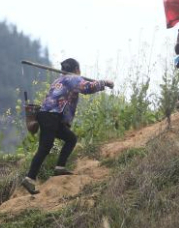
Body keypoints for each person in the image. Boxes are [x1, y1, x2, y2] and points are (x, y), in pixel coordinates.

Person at [21, 59, 113, 195]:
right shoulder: (73, 78)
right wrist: (104, 83)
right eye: (79, 70)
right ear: (76, 69)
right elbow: (86, 88)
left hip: (51, 117)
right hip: (50, 117)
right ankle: (29, 178)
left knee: (70, 138)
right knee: (45, 147)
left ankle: (60, 167)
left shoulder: (59, 81)